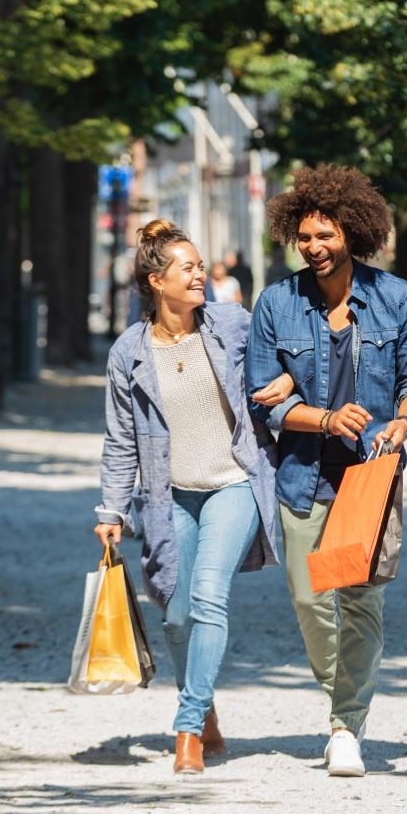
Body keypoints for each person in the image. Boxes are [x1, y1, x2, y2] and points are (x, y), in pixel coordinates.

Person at [246, 164, 407, 777]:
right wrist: (324, 419)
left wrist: (400, 425)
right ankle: (342, 700)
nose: (313, 248)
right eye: (304, 238)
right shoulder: (277, 302)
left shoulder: (398, 299)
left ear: (353, 232)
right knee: (310, 600)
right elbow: (262, 396)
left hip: (369, 475)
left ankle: (344, 725)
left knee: (359, 602)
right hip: (302, 475)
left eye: (324, 236)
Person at [94, 219, 294, 775]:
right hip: (169, 496)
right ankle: (204, 708)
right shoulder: (129, 353)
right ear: (157, 281)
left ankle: (186, 729)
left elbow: (289, 362)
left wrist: (291, 385)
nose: (201, 274)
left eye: (201, 265)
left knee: (208, 596)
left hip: (234, 482)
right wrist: (111, 509)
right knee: (176, 614)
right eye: (188, 267)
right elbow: (121, 440)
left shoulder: (233, 324)